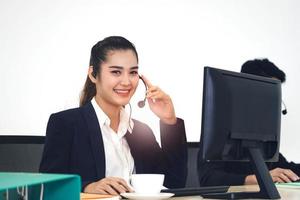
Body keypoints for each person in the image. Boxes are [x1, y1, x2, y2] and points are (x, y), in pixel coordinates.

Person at [39, 36, 187, 195]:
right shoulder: (66, 124)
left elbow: (173, 183)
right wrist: (87, 187)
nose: (126, 81)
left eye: (133, 72)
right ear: (93, 74)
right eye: (116, 72)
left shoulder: (141, 132)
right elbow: (48, 187)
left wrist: (169, 121)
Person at [198, 58, 300, 186]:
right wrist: (258, 179)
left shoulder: (262, 132)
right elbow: (208, 179)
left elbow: (285, 168)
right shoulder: (218, 126)